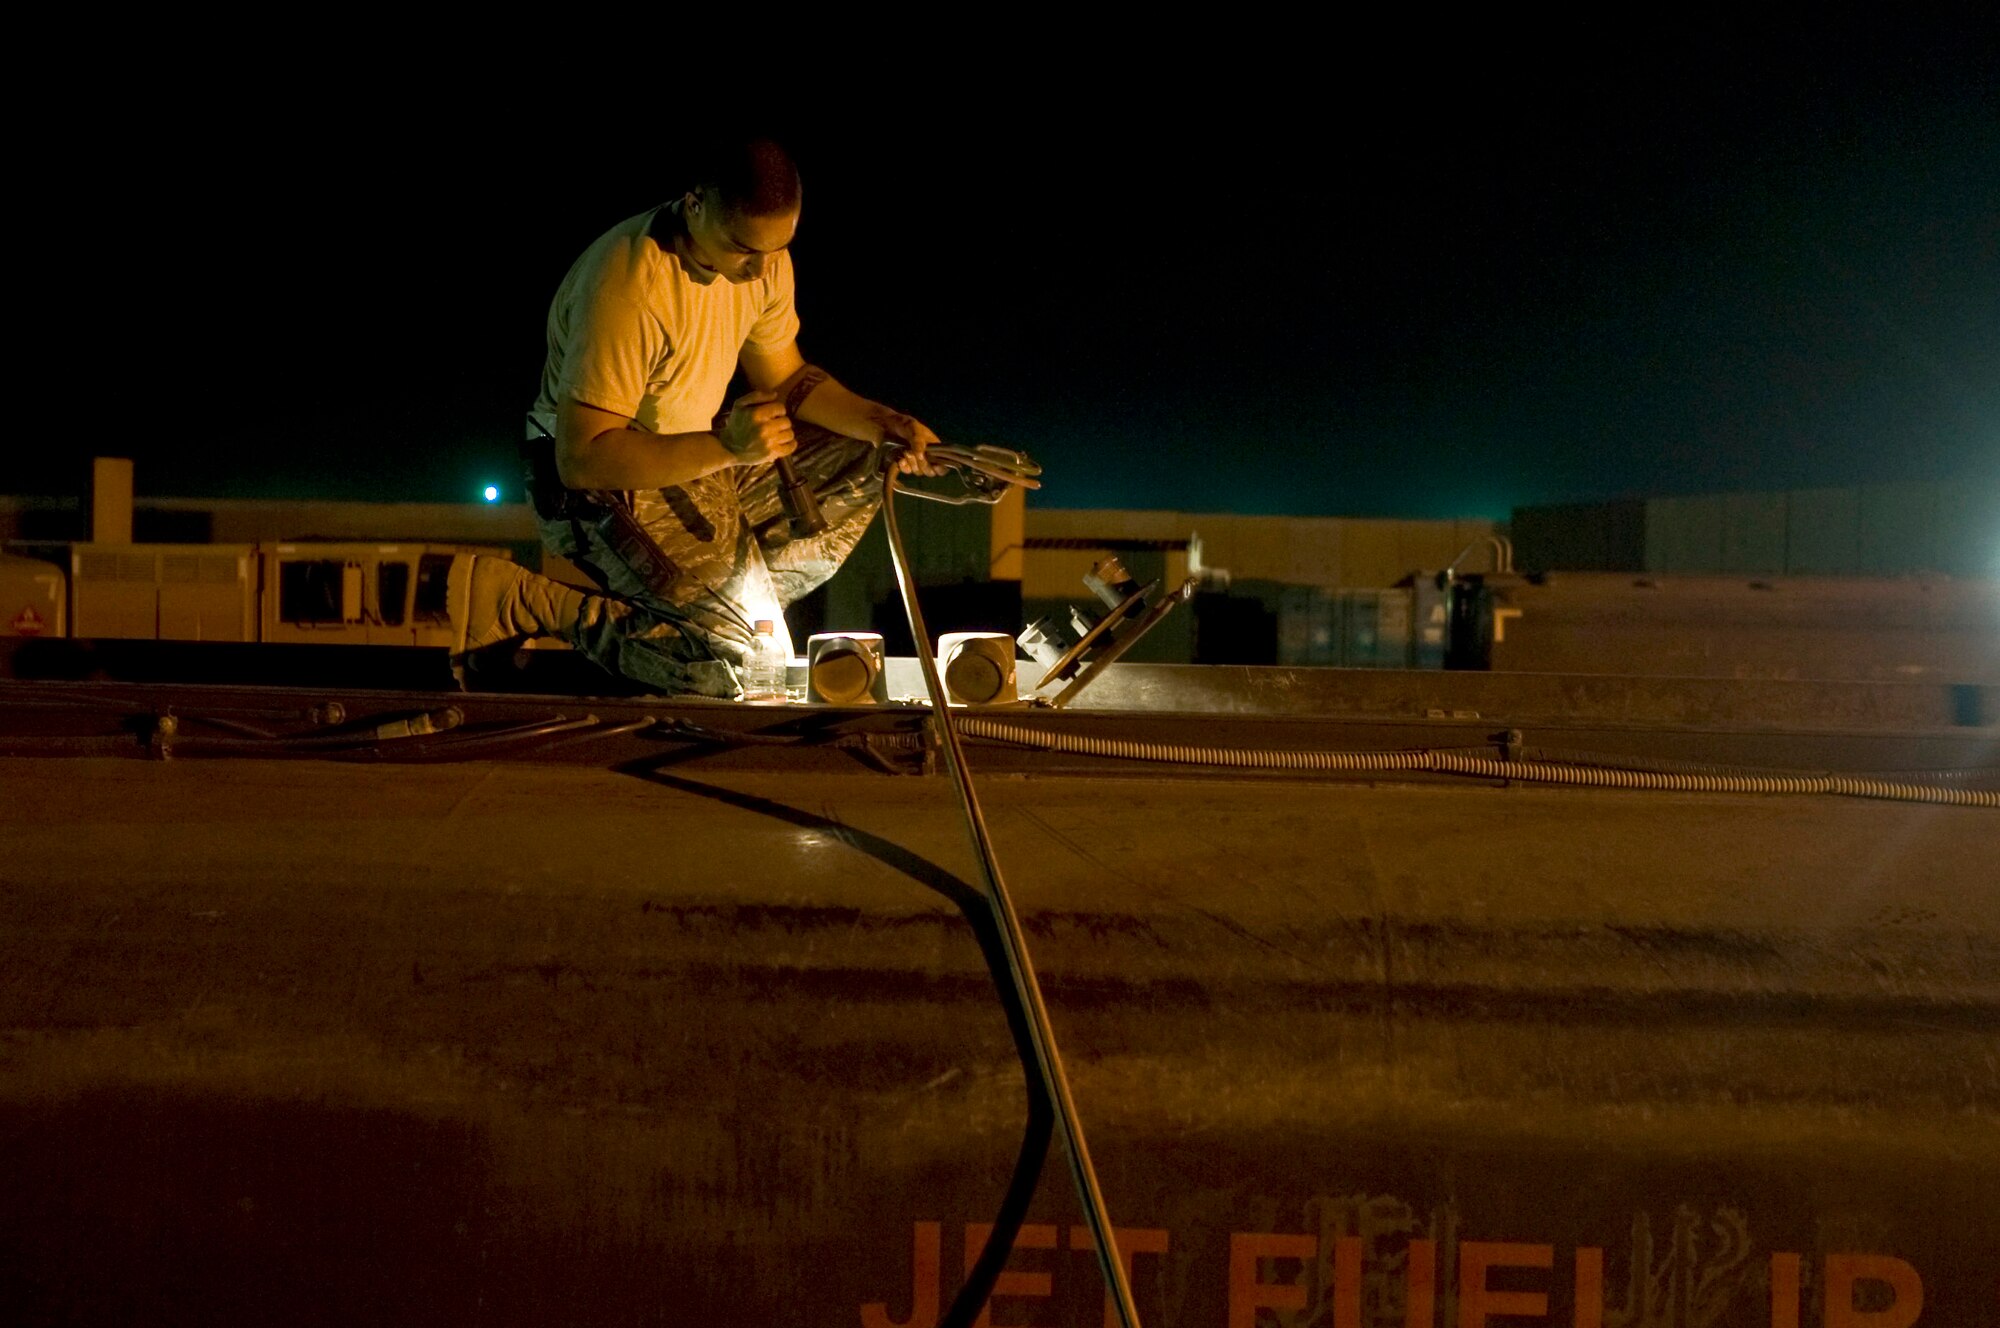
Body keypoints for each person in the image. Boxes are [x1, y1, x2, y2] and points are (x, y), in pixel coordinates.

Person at [449, 136, 939, 696]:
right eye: (742, 250)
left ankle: (703, 608)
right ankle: (527, 602)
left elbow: (784, 377)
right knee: (742, 670)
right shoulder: (629, 285)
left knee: (866, 452)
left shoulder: (764, 260)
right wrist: (730, 448)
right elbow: (582, 458)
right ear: (694, 203)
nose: (760, 270)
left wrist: (885, 423)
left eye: (776, 251)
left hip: (701, 459)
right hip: (599, 481)